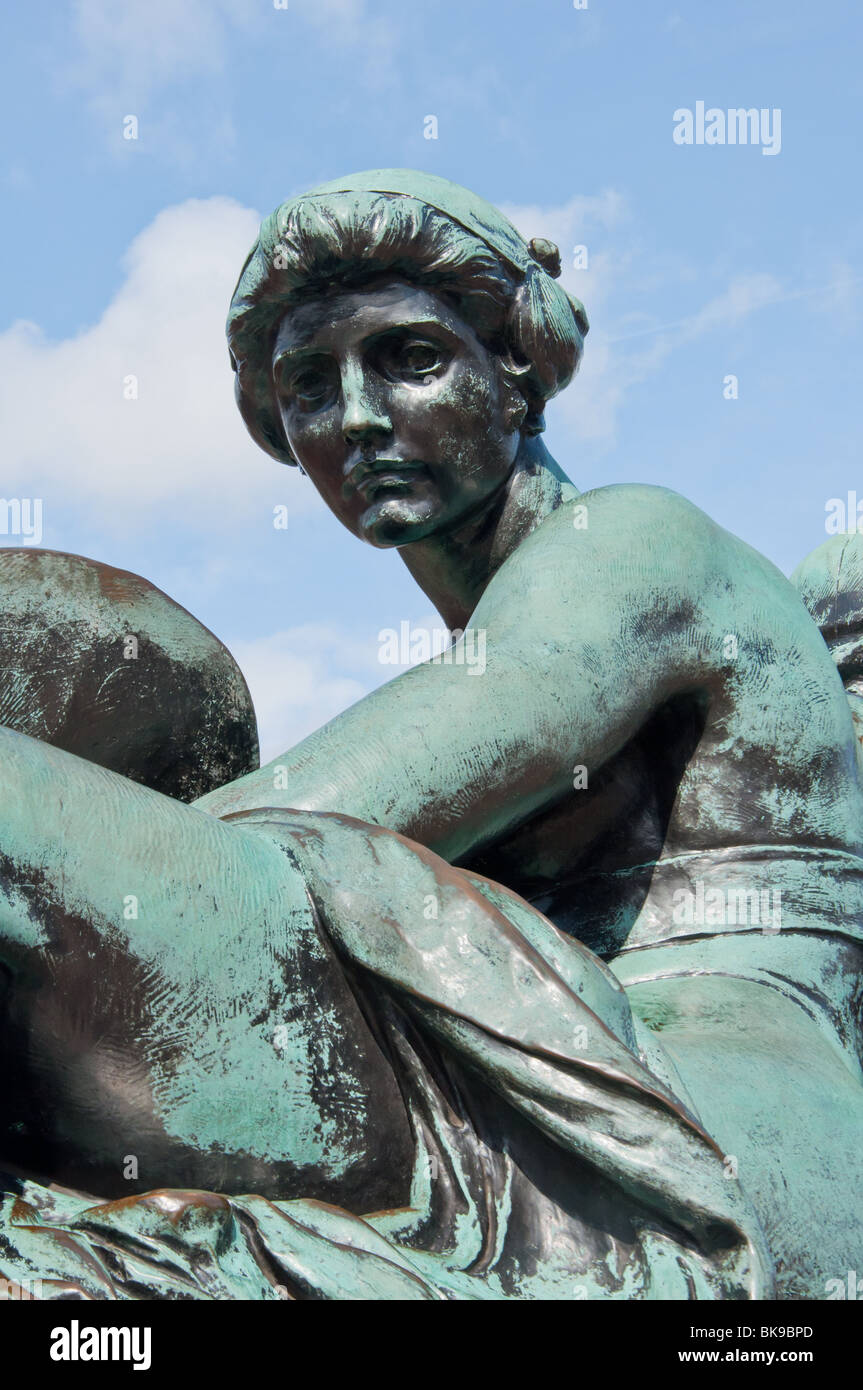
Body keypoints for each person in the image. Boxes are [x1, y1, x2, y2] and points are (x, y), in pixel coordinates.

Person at [0, 171, 860, 1301]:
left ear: (516, 377)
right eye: (309, 383)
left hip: (703, 1124)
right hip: (499, 1048)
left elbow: (298, 825)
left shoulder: (638, 547)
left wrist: (83, 856)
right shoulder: (477, 649)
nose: (355, 416)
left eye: (409, 360)